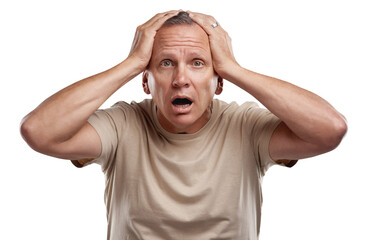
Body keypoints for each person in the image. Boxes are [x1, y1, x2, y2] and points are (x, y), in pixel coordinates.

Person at [20, 10, 347, 240]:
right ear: (146, 83)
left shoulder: (245, 125)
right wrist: (133, 62)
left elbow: (330, 129)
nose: (180, 79)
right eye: (165, 64)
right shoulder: (123, 124)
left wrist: (233, 68)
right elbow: (38, 131)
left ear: (218, 83)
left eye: (198, 63)